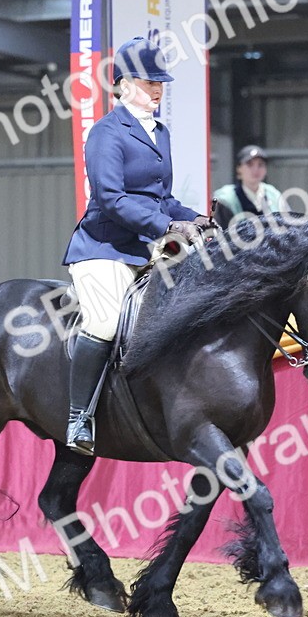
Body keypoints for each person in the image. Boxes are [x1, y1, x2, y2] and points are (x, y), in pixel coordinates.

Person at [61, 36, 213, 456]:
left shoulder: (160, 133)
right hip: (104, 247)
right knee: (107, 323)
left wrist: (195, 219)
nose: (158, 90)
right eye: (149, 83)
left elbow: (161, 198)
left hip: (147, 245)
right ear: (125, 84)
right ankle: (79, 419)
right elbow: (112, 199)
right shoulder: (106, 134)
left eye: (160, 83)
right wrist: (168, 226)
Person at [211, 145, 283, 228]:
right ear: (239, 168)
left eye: (260, 165)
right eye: (250, 164)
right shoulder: (225, 199)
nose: (256, 170)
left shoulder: (274, 195)